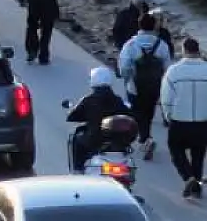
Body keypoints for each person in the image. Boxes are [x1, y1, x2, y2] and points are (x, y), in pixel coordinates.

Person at [119, 12, 174, 159]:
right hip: (154, 87)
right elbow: (168, 68)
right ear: (154, 26)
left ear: (139, 26)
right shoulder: (162, 45)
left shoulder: (130, 45)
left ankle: (145, 138)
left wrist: (127, 78)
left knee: (137, 113)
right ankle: (146, 137)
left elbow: (124, 68)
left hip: (135, 86)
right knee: (148, 113)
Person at [162, 37, 207, 198]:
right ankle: (196, 188)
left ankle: (188, 177)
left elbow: (166, 99)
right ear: (198, 50)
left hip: (179, 120)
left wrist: (168, 117)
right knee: (198, 154)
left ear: (184, 50)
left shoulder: (174, 71)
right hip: (202, 122)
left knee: (176, 151)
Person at [68, 67, 133, 171]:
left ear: (93, 80)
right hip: (117, 143)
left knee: (76, 140)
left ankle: (78, 170)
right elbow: (129, 114)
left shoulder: (88, 100)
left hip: (94, 141)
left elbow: (72, 116)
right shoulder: (118, 100)